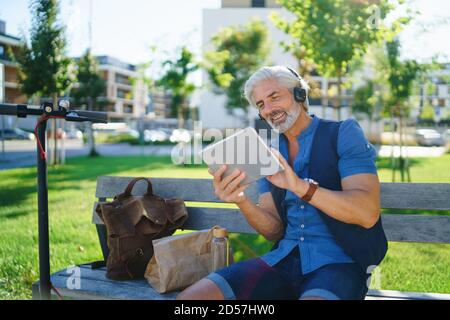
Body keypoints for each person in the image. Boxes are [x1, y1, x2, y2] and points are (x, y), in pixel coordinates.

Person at [177, 65, 387, 300]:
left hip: (340, 263)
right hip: (283, 260)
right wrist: (241, 200)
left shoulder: (343, 133)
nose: (268, 109)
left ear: (300, 94)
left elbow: (367, 213)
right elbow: (273, 230)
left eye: (274, 97)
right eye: (260, 104)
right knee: (192, 300)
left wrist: (299, 185)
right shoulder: (269, 154)